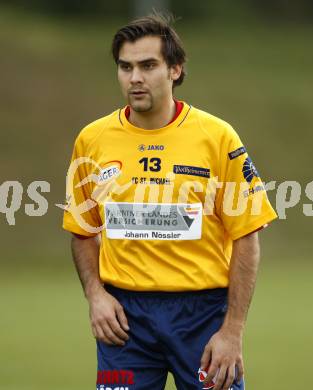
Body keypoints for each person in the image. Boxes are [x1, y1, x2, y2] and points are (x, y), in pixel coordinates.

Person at [62, 13, 277, 390]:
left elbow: (247, 236)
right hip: (125, 324)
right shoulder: (91, 140)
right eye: (125, 67)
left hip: (203, 317)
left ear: (175, 69)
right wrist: (96, 295)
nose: (135, 78)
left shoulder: (217, 137)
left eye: (148, 66)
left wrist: (233, 331)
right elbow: (82, 230)